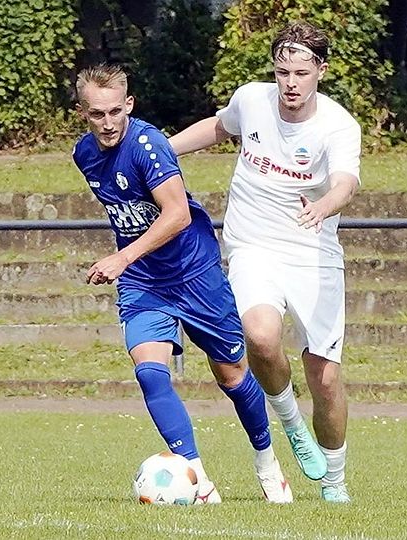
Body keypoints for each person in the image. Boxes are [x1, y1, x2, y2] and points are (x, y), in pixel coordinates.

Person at [72, 64, 293, 504]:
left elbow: (176, 215)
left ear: (129, 105)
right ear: (83, 113)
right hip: (143, 283)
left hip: (195, 274)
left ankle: (267, 462)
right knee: (150, 373)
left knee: (231, 376)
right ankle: (196, 479)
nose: (109, 122)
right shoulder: (84, 154)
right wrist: (130, 261)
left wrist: (122, 255)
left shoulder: (149, 147)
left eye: (116, 111)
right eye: (98, 114)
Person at [169, 21, 360, 503]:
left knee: (325, 374)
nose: (290, 83)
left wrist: (323, 206)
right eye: (282, 72)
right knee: (259, 335)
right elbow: (218, 127)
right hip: (252, 244)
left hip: (312, 252)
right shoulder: (251, 99)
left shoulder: (338, 125)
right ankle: (291, 423)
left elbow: (345, 183)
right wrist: (159, 151)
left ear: (321, 69)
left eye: (300, 72)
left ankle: (334, 483)